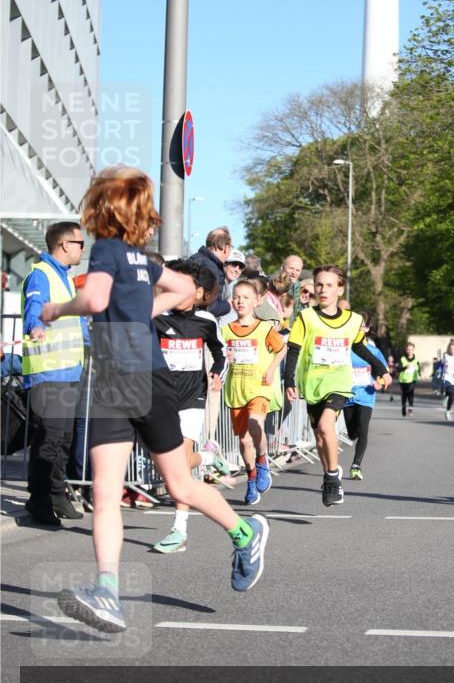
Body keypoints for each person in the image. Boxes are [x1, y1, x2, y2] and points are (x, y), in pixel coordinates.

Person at [41, 166, 268, 634]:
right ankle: (107, 592)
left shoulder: (106, 250)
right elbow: (186, 288)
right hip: (132, 379)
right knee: (127, 490)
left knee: (157, 487)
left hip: (131, 380)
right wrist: (145, 311)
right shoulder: (139, 257)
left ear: (102, 206)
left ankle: (247, 533)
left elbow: (97, 300)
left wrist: (57, 309)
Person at [284, 265, 391, 506]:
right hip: (313, 384)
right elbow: (294, 349)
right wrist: (288, 380)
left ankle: (333, 479)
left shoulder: (354, 320)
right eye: (319, 284)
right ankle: (329, 473)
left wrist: (382, 369)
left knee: (325, 425)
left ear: (339, 289)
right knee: (321, 439)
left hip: (339, 383)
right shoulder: (306, 317)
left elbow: (360, 347)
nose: (323, 289)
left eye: (329, 285)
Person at [151, 259, 231, 554]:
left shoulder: (206, 321)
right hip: (160, 397)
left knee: (180, 468)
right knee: (167, 467)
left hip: (192, 398)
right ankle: (208, 458)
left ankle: (179, 530)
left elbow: (220, 353)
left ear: (198, 292)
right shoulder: (157, 317)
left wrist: (216, 373)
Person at [21, 221, 89, 525]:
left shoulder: (64, 277)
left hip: (68, 370)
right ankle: (40, 500)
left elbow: (75, 323)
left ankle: (56, 494)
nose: (81, 249)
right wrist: (34, 325)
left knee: (61, 440)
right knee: (49, 439)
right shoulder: (41, 274)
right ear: (64, 245)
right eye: (80, 243)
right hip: (48, 371)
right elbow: (34, 308)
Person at [222, 279, 286, 505]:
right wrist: (225, 359)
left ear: (256, 301)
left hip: (259, 387)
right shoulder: (226, 330)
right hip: (237, 389)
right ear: (231, 301)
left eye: (246, 297)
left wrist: (271, 369)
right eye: (237, 297)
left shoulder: (264, 328)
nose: (240, 301)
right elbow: (222, 355)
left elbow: (281, 348)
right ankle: (251, 478)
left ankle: (262, 460)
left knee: (255, 423)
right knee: (244, 441)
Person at [343, 314, 388, 480]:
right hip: (348, 394)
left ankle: (356, 466)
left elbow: (385, 371)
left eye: (361, 326)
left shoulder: (374, 351)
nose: (358, 329)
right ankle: (353, 436)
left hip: (366, 395)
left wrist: (380, 382)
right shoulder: (346, 348)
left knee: (363, 429)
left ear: (367, 329)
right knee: (352, 433)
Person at [189, 228, 233, 319]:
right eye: (231, 247)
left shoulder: (194, 259)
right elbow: (210, 307)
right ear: (226, 247)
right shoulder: (212, 268)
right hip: (200, 325)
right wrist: (229, 304)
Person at [398, 342, 420, 417]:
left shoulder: (416, 359)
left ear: (413, 350)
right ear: (406, 350)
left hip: (412, 379)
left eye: (411, 349)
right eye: (408, 349)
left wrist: (419, 373)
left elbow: (418, 367)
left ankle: (410, 407)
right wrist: (405, 367)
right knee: (405, 394)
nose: (410, 351)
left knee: (410, 392)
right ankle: (403, 406)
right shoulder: (402, 358)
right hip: (403, 380)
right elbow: (398, 368)